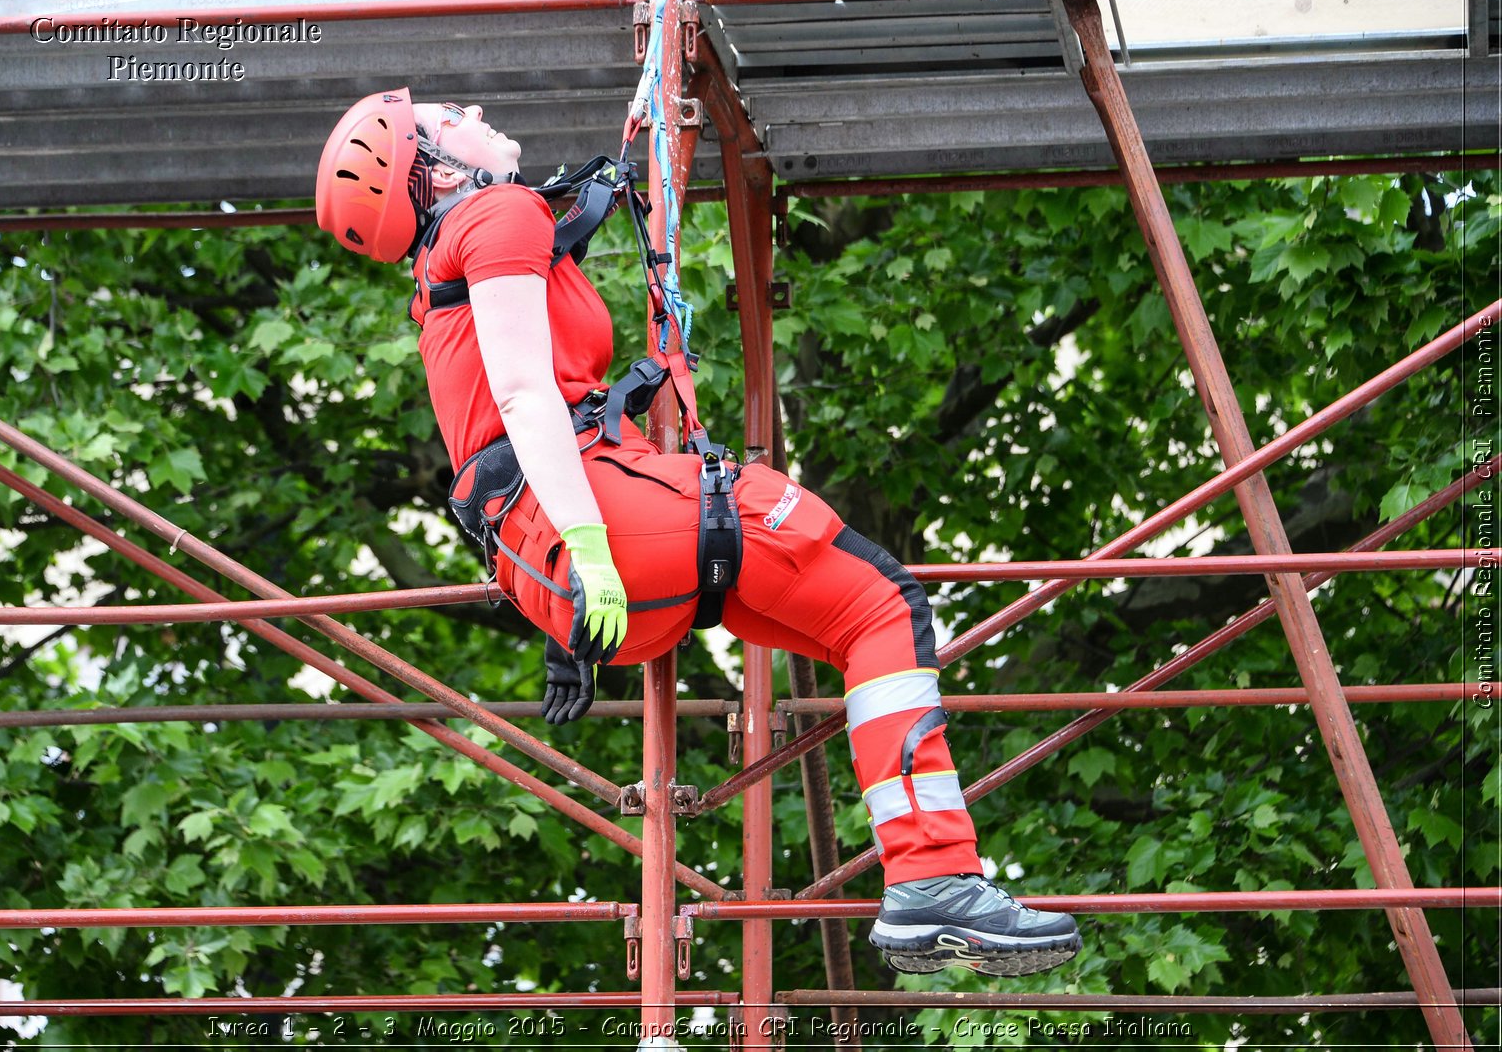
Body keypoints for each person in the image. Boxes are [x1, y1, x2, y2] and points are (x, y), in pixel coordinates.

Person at [314, 88, 1081, 977]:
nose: (472, 106)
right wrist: (588, 541)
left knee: (857, 621)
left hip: (570, 569)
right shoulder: (493, 213)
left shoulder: (448, 265)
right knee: (881, 606)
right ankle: (933, 878)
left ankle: (932, 884)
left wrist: (568, 580)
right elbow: (526, 398)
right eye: (447, 116)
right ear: (439, 171)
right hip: (605, 526)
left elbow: (495, 432)